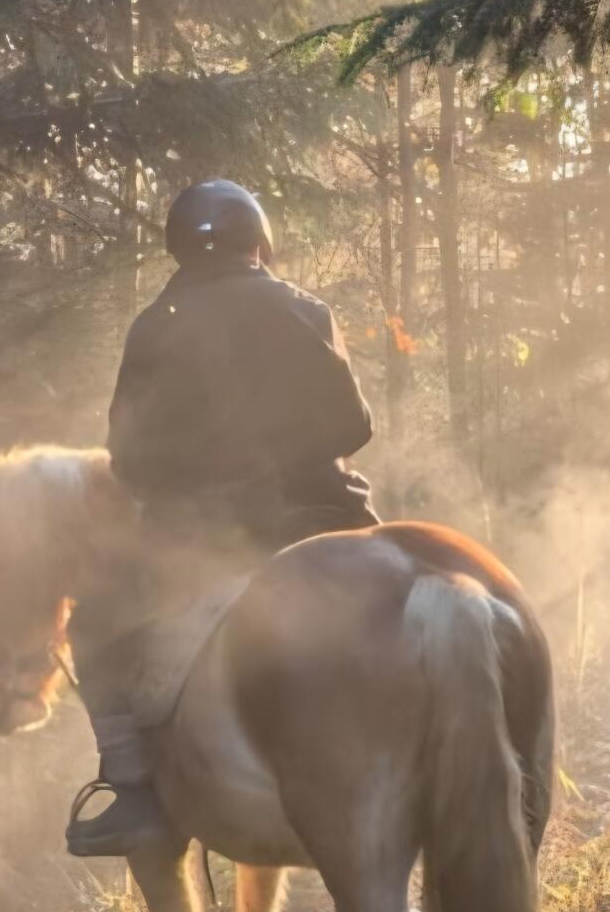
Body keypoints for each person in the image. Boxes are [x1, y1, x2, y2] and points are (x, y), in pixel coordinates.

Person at [67, 178, 379, 858]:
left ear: (180, 249)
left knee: (93, 623)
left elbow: (129, 455)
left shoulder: (155, 323)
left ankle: (134, 795)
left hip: (202, 540)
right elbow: (353, 426)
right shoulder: (304, 307)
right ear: (258, 239)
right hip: (321, 520)